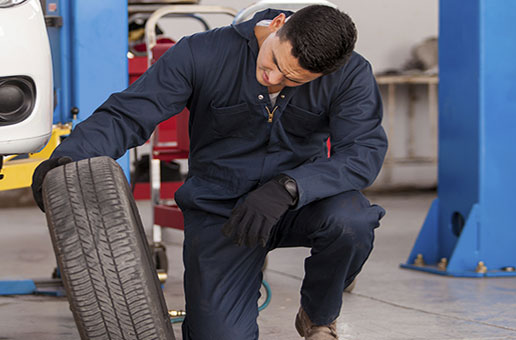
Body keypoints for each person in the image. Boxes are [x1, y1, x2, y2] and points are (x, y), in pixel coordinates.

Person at [32, 5, 386, 340]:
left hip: (298, 204)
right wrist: (69, 159)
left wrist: (290, 188)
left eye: (293, 79)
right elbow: (130, 113)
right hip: (222, 210)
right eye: (274, 63)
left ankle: (319, 316)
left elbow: (361, 154)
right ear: (278, 24)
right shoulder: (202, 53)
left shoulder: (350, 73)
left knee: (352, 220)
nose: (274, 78)